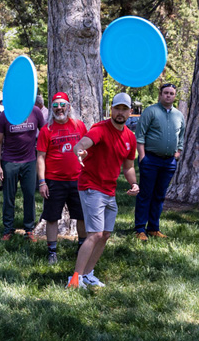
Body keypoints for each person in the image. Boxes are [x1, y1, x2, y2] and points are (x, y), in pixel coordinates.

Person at [67, 93, 139, 288]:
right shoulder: (100, 129)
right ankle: (75, 278)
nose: (121, 112)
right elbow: (82, 144)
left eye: (125, 109)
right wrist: (80, 150)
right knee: (95, 234)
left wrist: (134, 184)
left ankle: (89, 274)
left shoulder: (130, 137)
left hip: (109, 190)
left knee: (105, 234)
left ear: (130, 112)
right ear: (112, 110)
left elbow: (129, 167)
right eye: (118, 108)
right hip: (91, 186)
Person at [37, 92, 87, 264]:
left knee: (81, 216)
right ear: (52, 109)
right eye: (56, 105)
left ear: (69, 107)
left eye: (62, 105)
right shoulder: (46, 130)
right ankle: (52, 252)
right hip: (54, 181)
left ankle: (82, 247)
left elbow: (88, 149)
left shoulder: (79, 126)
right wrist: (42, 182)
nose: (59, 108)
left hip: (78, 180)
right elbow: (41, 157)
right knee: (52, 217)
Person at [134, 83, 185, 241]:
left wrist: (177, 153)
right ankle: (140, 229)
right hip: (150, 159)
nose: (169, 95)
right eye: (166, 93)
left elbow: (181, 137)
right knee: (145, 194)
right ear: (160, 94)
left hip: (169, 162)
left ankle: (153, 228)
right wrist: (142, 157)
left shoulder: (179, 115)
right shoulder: (151, 111)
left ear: (175, 96)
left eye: (171, 93)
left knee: (160, 196)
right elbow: (140, 134)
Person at [0, 104, 45, 241]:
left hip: (29, 161)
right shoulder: (5, 115)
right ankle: (8, 229)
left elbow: (45, 131)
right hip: (9, 162)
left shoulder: (35, 111)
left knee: (29, 196)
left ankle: (29, 229)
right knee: (8, 197)